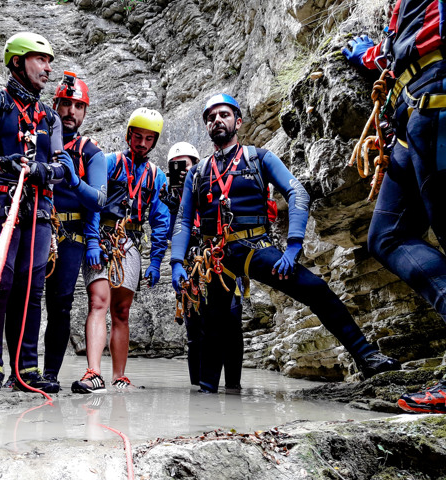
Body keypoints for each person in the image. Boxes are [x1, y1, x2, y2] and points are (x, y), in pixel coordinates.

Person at [170, 94, 401, 393]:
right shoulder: (197, 173)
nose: (217, 120)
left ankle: (367, 356)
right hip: (216, 258)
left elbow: (298, 193)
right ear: (207, 127)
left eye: (224, 114)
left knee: (316, 289)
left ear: (237, 122)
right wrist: (176, 263)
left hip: (255, 248)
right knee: (213, 327)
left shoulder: (259, 157)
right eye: (211, 117)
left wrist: (294, 246)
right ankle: (206, 398)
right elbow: (183, 221)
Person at [342, 0, 446, 413]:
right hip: (411, 107)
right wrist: (372, 55)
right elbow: (400, 48)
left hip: (436, 96)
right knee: (386, 235)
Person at [0, 32, 75, 393]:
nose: (48, 67)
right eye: (40, 59)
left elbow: (64, 165)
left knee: (32, 288)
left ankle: (26, 368)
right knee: (2, 283)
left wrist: (48, 171)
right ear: (17, 61)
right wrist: (8, 164)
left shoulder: (49, 117)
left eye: (50, 61)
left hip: (39, 210)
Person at [72, 107, 170, 393]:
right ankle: (93, 373)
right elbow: (93, 202)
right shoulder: (108, 162)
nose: (142, 143)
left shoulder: (157, 177)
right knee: (98, 301)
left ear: (154, 142)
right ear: (128, 135)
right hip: (102, 237)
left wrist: (155, 262)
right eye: (137, 137)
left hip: (131, 241)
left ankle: (119, 376)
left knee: (122, 311)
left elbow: (161, 221)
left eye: (148, 139)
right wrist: (91, 240)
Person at [42, 73, 107, 388]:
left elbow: (98, 200)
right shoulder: (40, 140)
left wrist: (73, 180)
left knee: (59, 304)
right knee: (23, 299)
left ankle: (50, 375)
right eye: (65, 104)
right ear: (55, 105)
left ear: (85, 112)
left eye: (78, 106)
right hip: (36, 224)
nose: (71, 111)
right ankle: (21, 372)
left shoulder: (90, 152)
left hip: (70, 236)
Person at [162, 142, 245, 392]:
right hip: (191, 269)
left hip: (219, 263)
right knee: (195, 331)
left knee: (231, 323)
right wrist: (173, 208)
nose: (183, 170)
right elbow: (172, 234)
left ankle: (233, 386)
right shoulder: (170, 200)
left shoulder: (213, 185)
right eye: (176, 167)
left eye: (187, 165)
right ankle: (199, 390)